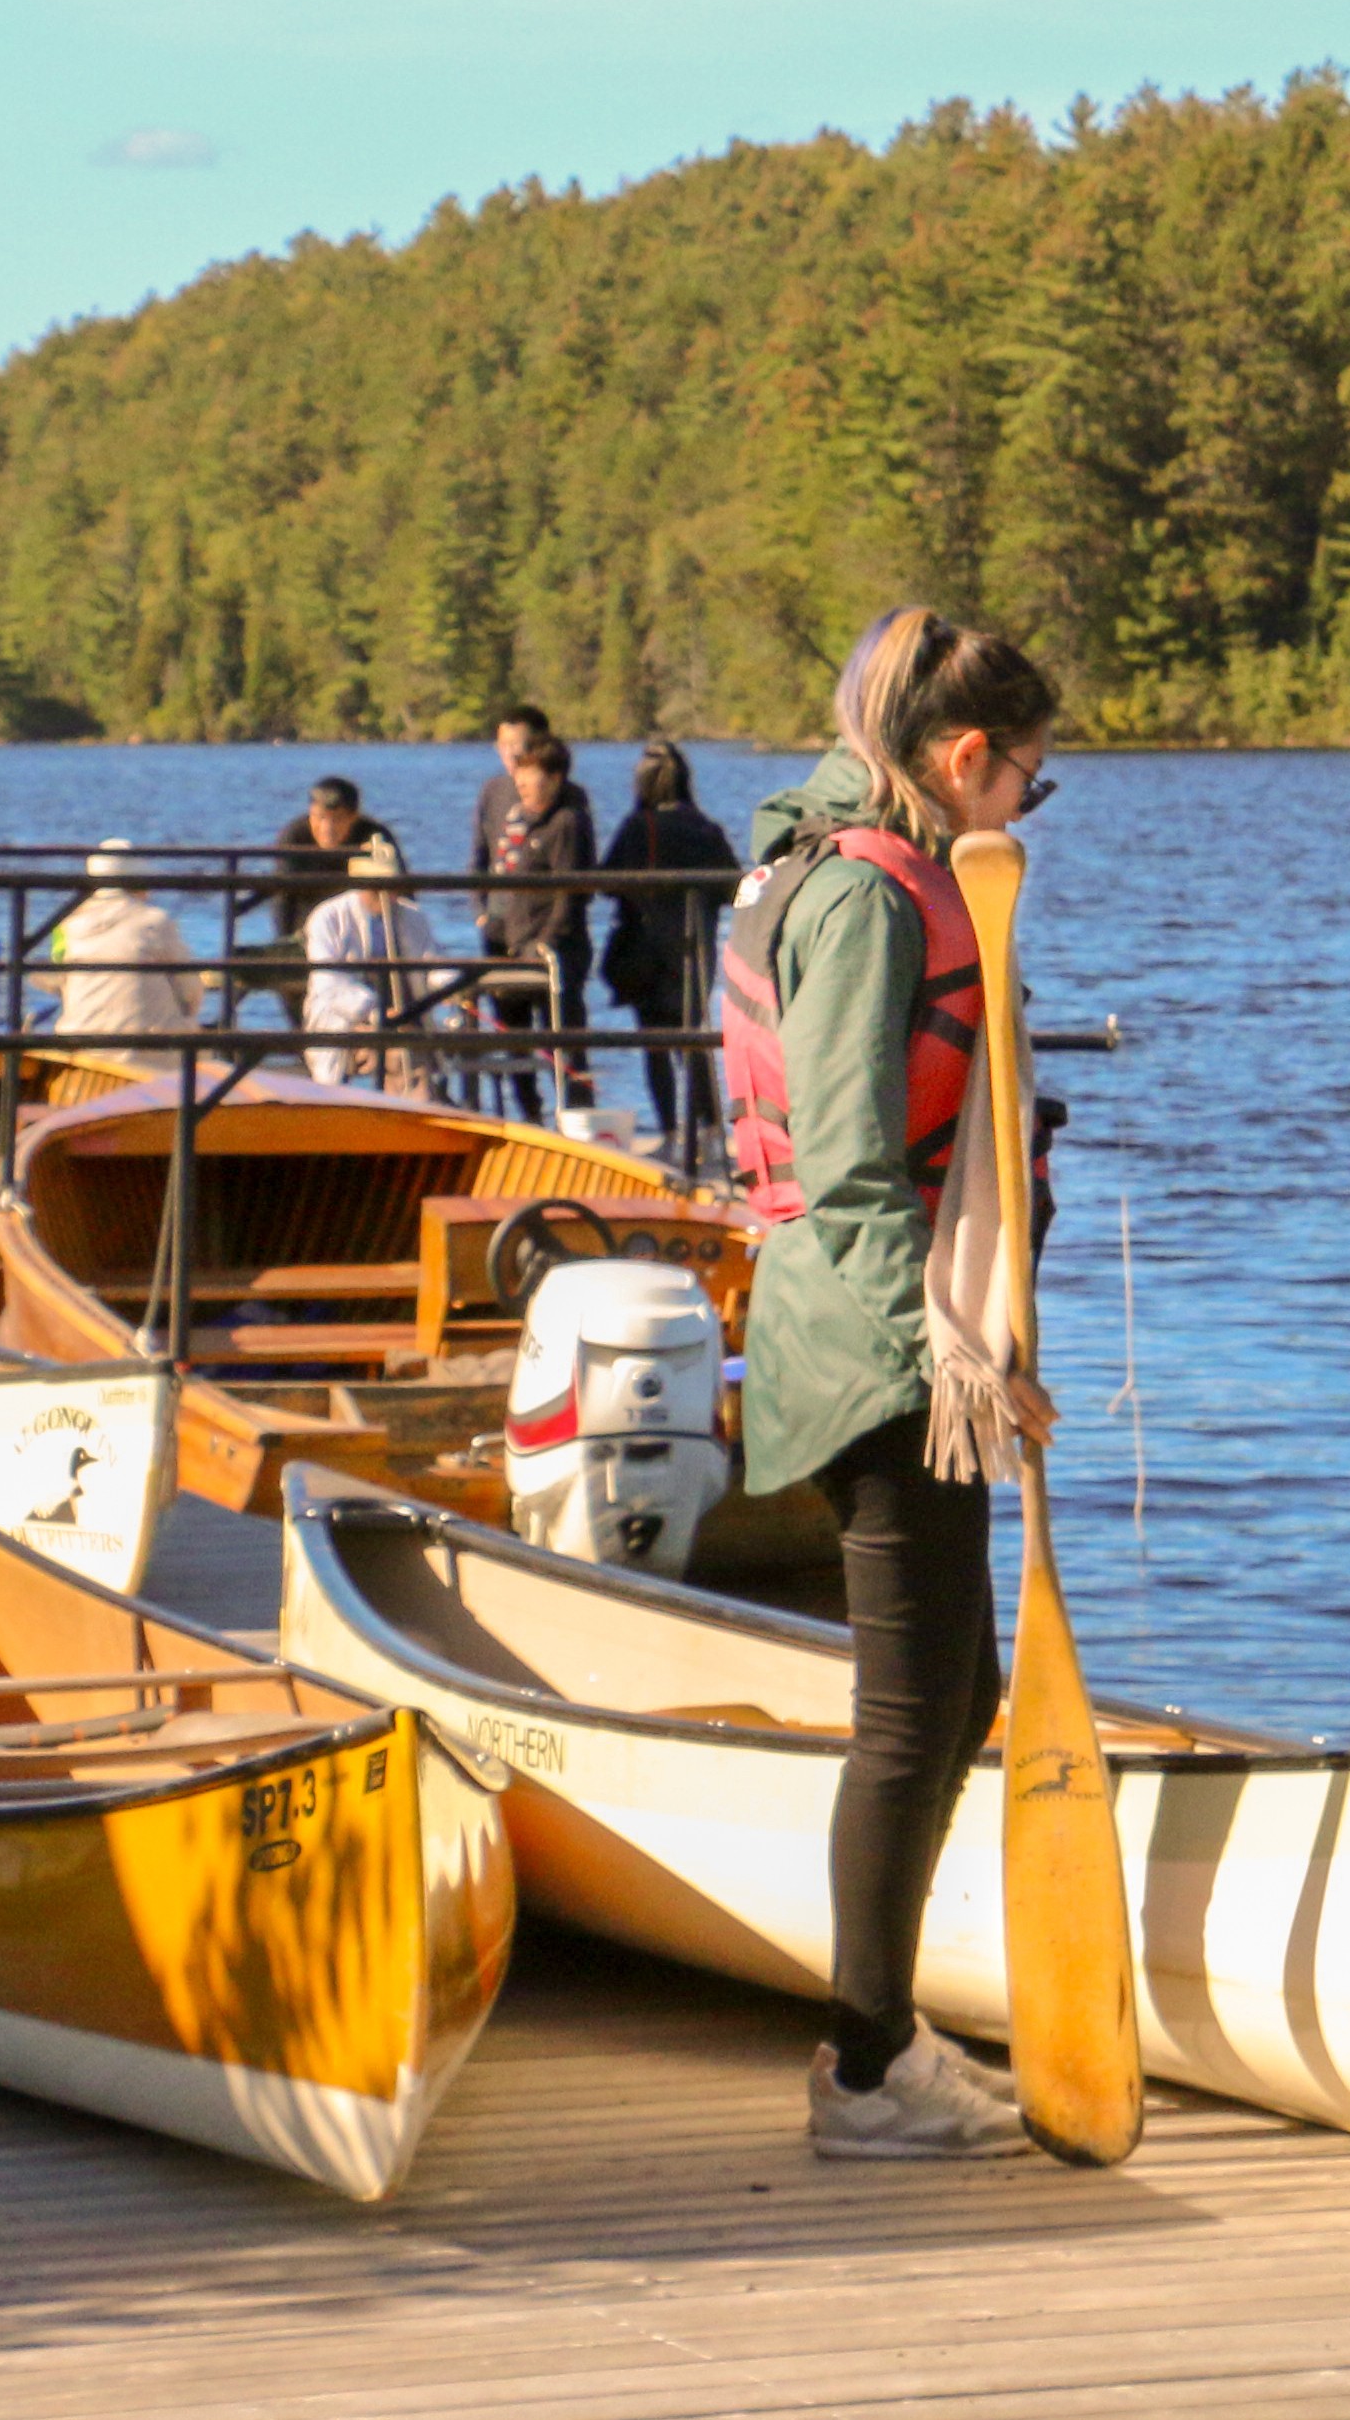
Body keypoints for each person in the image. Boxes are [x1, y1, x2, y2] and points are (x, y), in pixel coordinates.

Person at [718, 604, 1058, 2160]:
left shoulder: (862, 862)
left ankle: (887, 2027)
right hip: (878, 1337)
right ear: (965, 755)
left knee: (953, 1695)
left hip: (899, 1328)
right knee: (913, 1713)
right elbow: (851, 1158)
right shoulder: (862, 895)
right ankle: (863, 2071)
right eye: (1029, 779)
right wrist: (946, 1351)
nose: (1027, 809)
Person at [601, 740, 739, 1162]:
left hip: (646, 948)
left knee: (656, 1044)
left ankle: (670, 1132)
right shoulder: (705, 828)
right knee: (693, 1041)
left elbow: (606, 880)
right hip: (694, 948)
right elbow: (732, 887)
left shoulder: (637, 827)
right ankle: (711, 1131)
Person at [476, 732, 599, 1118]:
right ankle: (529, 1114)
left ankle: (578, 1116)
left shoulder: (566, 822)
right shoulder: (516, 819)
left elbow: (571, 893)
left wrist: (546, 942)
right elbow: (495, 872)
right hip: (509, 942)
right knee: (513, 1035)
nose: (523, 783)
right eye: (520, 775)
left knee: (563, 1038)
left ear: (556, 778)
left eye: (532, 776)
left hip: (554, 950)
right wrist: (489, 922)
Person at [299, 834, 447, 1091]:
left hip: (406, 1021)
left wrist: (452, 987)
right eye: (375, 887)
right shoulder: (328, 918)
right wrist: (376, 1011)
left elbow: (432, 963)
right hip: (347, 1022)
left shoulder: (414, 917)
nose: (384, 894)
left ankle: (416, 1104)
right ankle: (413, 1107)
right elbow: (329, 983)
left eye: (391, 886)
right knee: (403, 1056)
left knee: (423, 1049)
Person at [36, 843, 203, 1043]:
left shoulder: (68, 924)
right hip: (147, 1050)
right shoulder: (156, 922)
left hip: (76, 1043)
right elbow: (191, 995)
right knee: (196, 1035)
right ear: (137, 884)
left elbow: (60, 981)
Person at [270, 775, 401, 942]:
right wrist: (285, 942)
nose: (327, 828)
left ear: (354, 817)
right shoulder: (294, 837)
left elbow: (402, 891)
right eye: (320, 817)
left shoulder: (375, 836)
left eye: (337, 819)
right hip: (306, 933)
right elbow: (283, 898)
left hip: (364, 935)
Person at [465, 703, 551, 877]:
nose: (509, 754)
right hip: (498, 892)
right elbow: (479, 860)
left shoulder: (564, 796)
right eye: (502, 745)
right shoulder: (493, 791)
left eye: (516, 744)